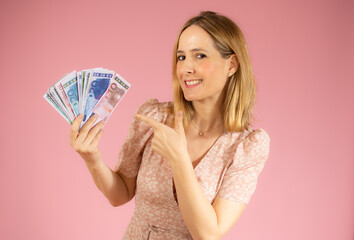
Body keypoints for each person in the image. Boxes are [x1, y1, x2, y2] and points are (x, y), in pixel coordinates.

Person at [70, 11, 270, 240]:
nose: (186, 68)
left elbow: (208, 234)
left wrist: (179, 159)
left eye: (200, 56)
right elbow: (120, 194)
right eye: (181, 57)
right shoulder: (153, 117)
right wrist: (91, 158)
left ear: (232, 65)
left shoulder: (247, 146)